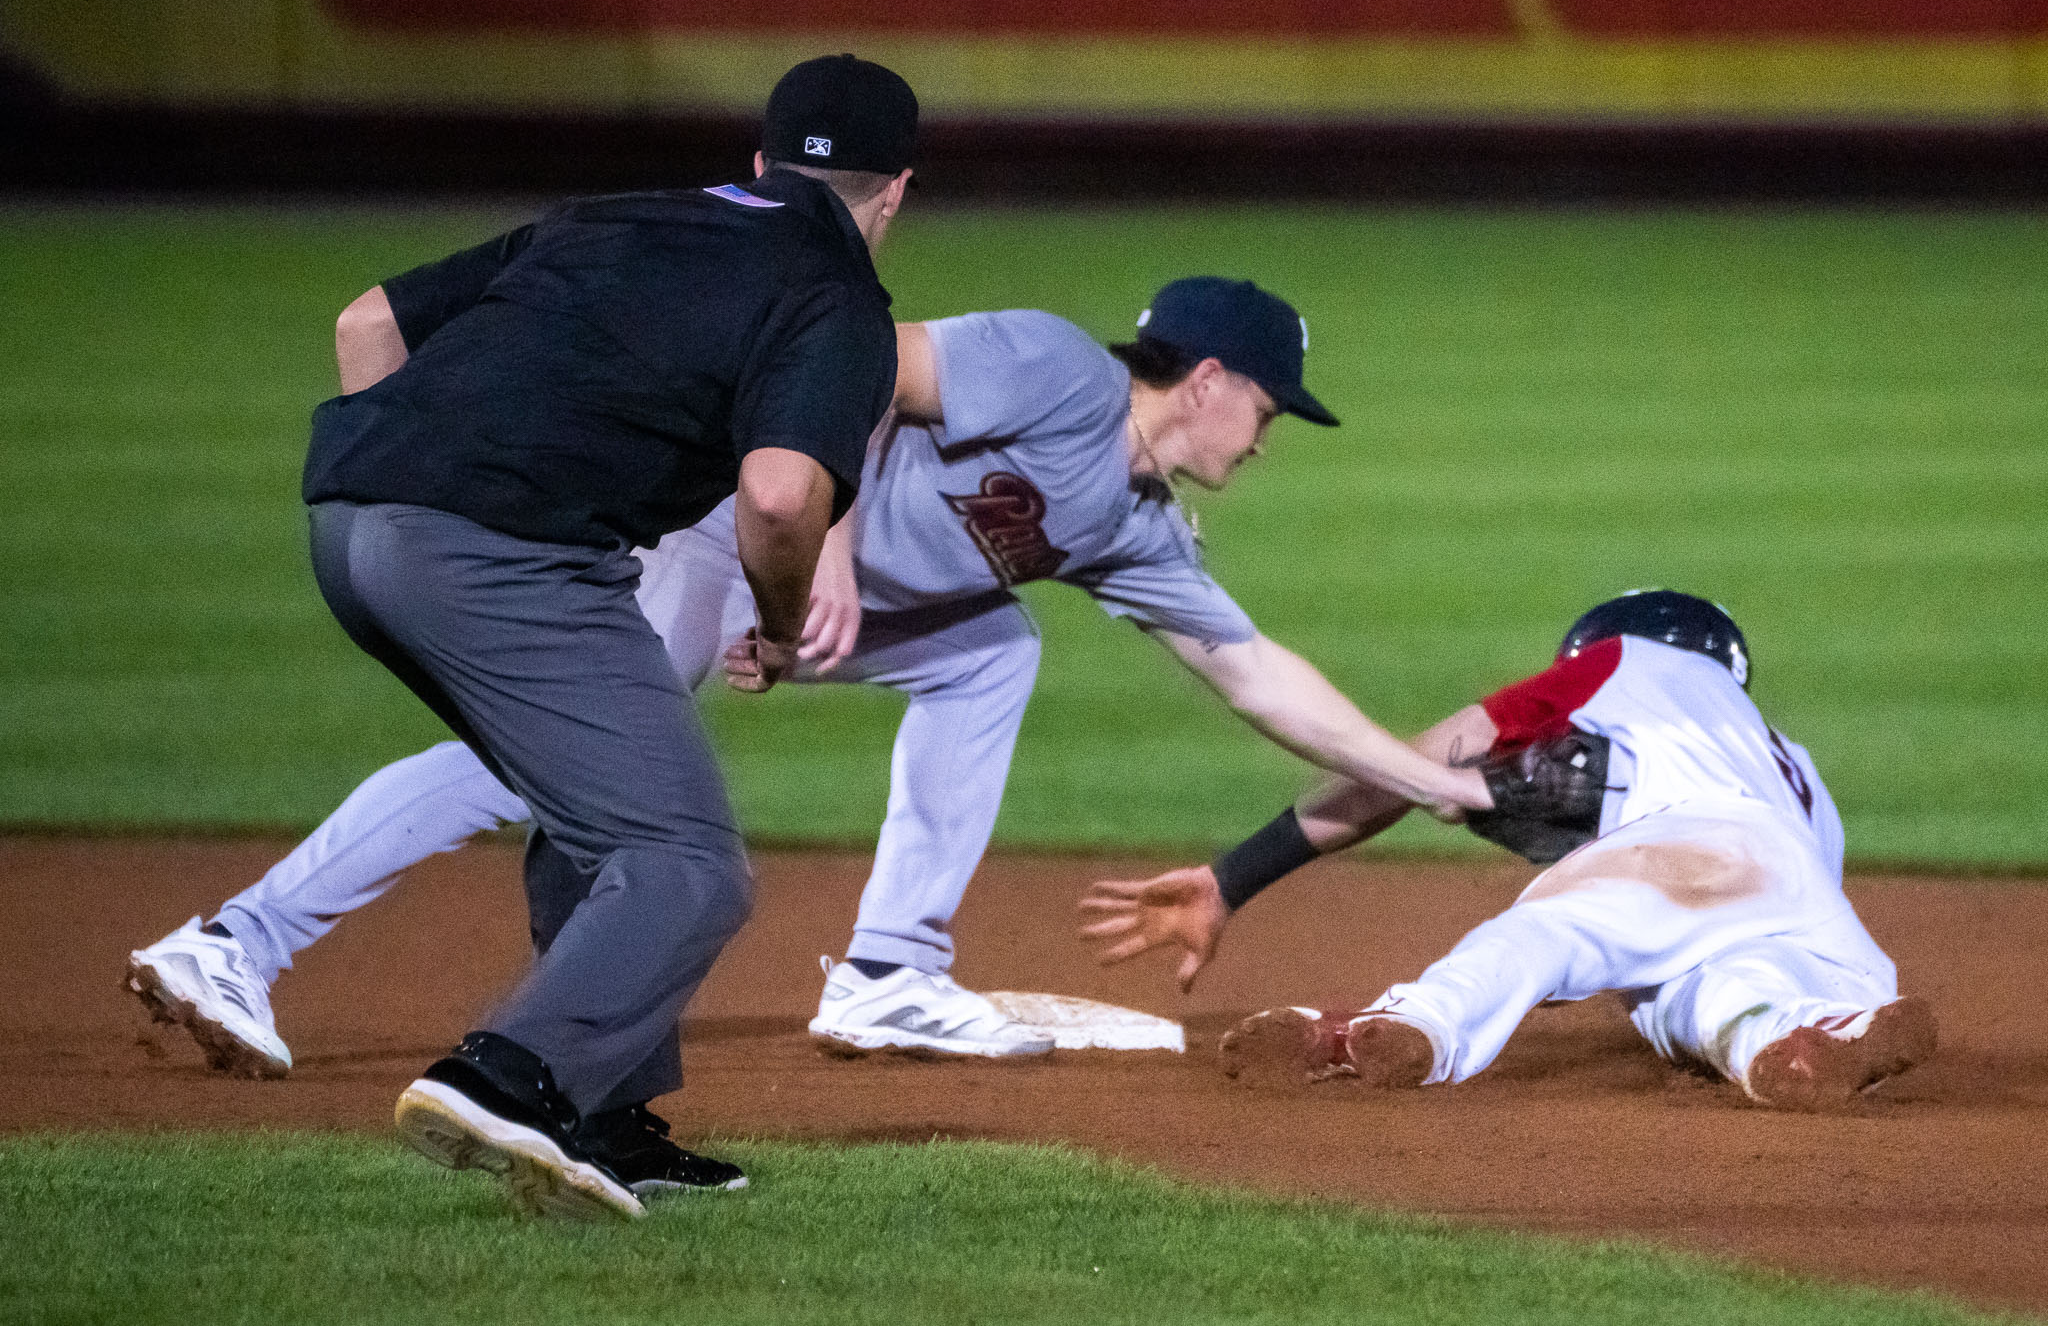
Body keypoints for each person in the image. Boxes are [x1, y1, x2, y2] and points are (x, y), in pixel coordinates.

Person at [127, 277, 1493, 1082]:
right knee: (535, 766)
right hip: (718, 532)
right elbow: (856, 364)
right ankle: (237, 942)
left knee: (993, 654)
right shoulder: (1056, 368)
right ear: (1207, 380)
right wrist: (820, 550)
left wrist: (1431, 782)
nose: (1266, 438)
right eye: (1268, 407)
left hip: (804, 602)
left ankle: (892, 969)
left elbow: (1258, 677)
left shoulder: (1133, 524)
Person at [125, 53, 919, 1221]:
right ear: (895, 191)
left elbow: (368, 322)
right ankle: (509, 1078)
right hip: (504, 556)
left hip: (348, 522)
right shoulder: (838, 295)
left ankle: (608, 1121)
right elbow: (779, 495)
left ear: (758, 161)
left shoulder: (611, 216)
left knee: (591, 815)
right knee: (688, 864)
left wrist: (409, 496)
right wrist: (783, 624)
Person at [1079, 591, 1936, 1112]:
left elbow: (1399, 772)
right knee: (1705, 995)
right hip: (1822, 922)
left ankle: (1405, 1024)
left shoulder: (1621, 662)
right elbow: (1787, 891)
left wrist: (1233, 877)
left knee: (1543, 934)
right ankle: (1800, 1035)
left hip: (1688, 846)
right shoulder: (1797, 768)